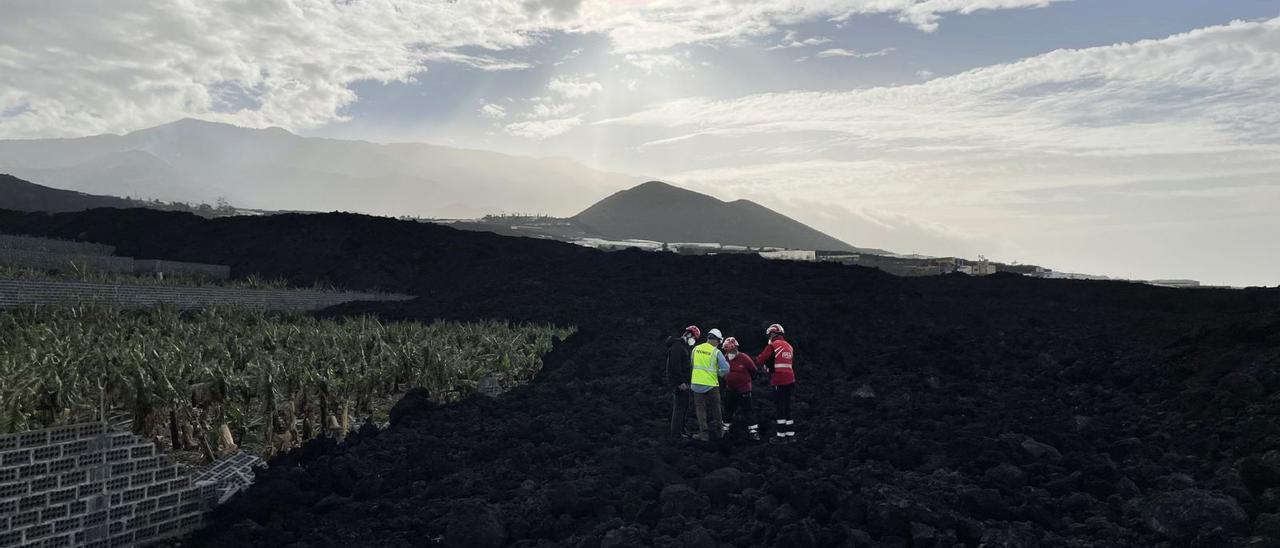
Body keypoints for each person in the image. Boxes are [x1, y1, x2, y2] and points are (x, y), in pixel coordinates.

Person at [756, 323, 796, 443]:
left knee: (780, 408)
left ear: (773, 333)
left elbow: (760, 359)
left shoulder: (773, 345)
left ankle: (780, 437)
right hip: (790, 380)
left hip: (779, 380)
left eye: (770, 334)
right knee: (787, 407)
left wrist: (765, 366)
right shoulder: (789, 346)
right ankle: (791, 435)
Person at [658, 325, 700, 439]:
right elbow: (675, 366)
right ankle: (676, 433)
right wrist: (680, 382)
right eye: (694, 338)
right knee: (679, 408)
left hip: (685, 383)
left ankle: (682, 430)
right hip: (679, 384)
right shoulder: (677, 346)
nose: (694, 341)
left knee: (684, 406)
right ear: (688, 334)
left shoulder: (683, 347)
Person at [689, 328, 731, 441]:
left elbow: (692, 364)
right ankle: (719, 433)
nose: (719, 344)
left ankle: (704, 434)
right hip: (712, 385)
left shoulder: (695, 349)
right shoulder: (716, 352)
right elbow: (726, 369)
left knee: (700, 409)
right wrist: (719, 373)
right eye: (719, 341)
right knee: (716, 408)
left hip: (697, 384)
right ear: (716, 340)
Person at [720, 337, 760, 441]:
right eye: (727, 350)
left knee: (747, 410)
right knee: (728, 409)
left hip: (744, 389)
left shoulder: (744, 358)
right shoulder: (725, 358)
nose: (729, 352)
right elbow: (722, 371)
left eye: (731, 350)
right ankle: (725, 429)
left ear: (735, 348)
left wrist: (746, 380)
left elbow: (754, 370)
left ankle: (753, 432)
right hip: (730, 388)